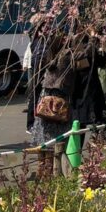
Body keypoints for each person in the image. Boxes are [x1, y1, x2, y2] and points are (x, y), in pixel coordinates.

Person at [32, 28, 75, 173]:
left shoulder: (50, 54)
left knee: (43, 136)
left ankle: (42, 169)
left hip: (46, 98)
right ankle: (52, 171)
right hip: (59, 99)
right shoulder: (66, 55)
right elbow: (84, 56)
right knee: (57, 138)